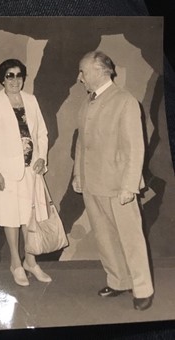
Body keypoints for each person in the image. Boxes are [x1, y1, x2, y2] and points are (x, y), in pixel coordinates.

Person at [73, 51, 154, 310]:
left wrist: (130, 185)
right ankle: (119, 281)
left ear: (100, 71)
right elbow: (82, 144)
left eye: (83, 72)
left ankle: (142, 288)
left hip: (119, 186)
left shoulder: (125, 101)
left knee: (131, 238)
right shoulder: (87, 102)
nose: (80, 78)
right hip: (92, 183)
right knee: (105, 238)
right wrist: (78, 175)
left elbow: (135, 147)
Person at [0, 59, 52, 287]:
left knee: (29, 216)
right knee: (11, 217)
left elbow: (42, 132)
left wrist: (41, 157)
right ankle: (15, 263)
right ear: (2, 79)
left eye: (19, 75)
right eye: (10, 75)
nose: (15, 80)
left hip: (32, 170)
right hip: (7, 172)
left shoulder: (31, 100)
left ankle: (31, 260)